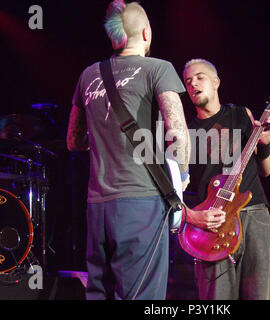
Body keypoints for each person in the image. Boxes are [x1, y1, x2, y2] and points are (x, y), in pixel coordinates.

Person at [66, 0, 190, 300]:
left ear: (114, 37)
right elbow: (179, 135)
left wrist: (104, 139)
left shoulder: (88, 75)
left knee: (100, 293)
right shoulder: (158, 68)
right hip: (141, 203)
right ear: (146, 33)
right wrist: (182, 177)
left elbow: (73, 141)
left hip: (97, 205)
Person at [181, 58, 270, 300]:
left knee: (261, 293)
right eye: (187, 81)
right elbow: (172, 187)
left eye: (199, 77)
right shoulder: (185, 133)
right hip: (214, 223)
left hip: (254, 212)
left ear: (216, 82)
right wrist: (193, 216)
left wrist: (264, 147)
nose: (193, 84)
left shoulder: (241, 115)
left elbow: (266, 170)